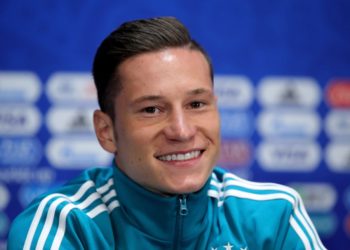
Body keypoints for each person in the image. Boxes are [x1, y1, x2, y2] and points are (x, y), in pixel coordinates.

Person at [8, 16, 326, 250]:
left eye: (197, 103)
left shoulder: (275, 215)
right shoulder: (65, 225)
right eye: (152, 109)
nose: (183, 131)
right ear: (106, 131)